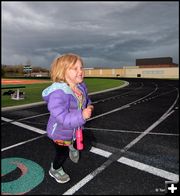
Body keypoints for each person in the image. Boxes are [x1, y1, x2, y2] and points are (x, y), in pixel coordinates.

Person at [42, 53, 94, 183]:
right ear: (63, 71)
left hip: (75, 127)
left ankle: (72, 146)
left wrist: (89, 105)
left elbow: (85, 100)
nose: (80, 71)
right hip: (60, 132)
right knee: (62, 154)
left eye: (81, 68)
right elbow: (62, 118)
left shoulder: (81, 87)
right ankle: (55, 169)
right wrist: (82, 115)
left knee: (76, 141)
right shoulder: (58, 94)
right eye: (75, 68)